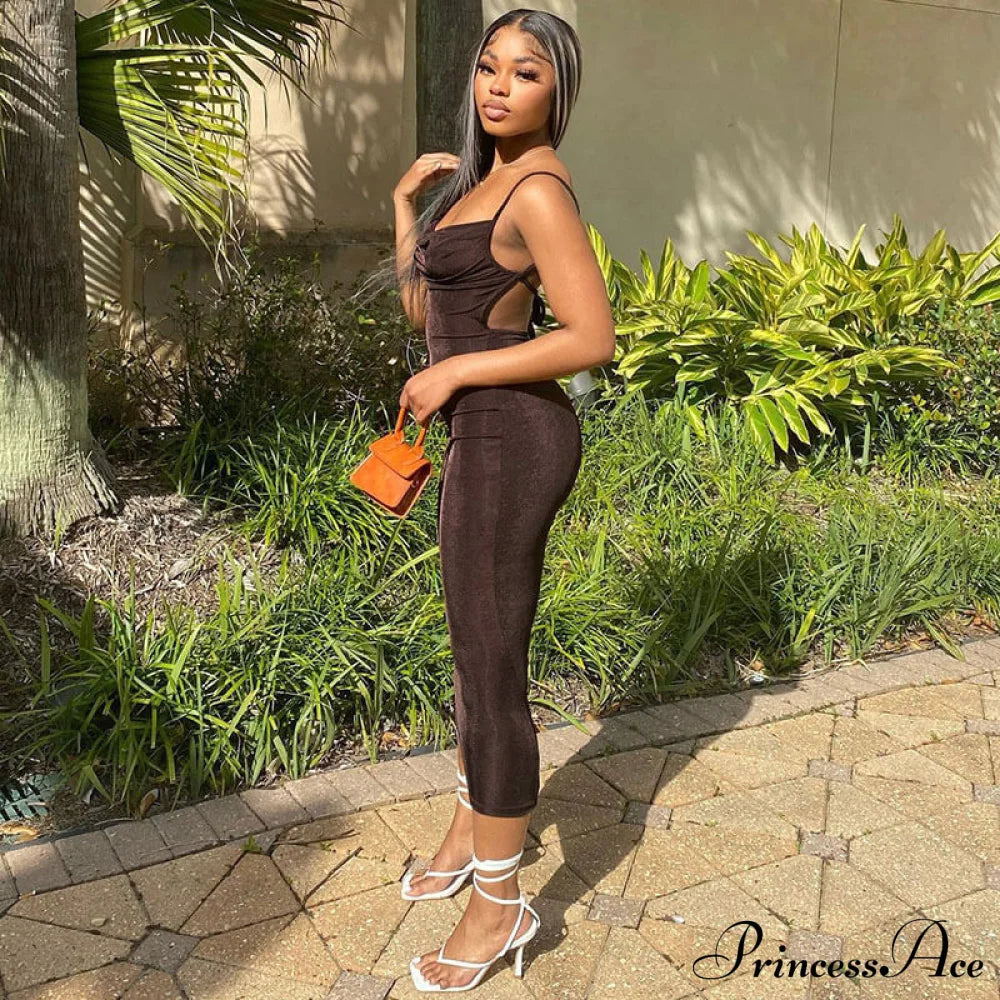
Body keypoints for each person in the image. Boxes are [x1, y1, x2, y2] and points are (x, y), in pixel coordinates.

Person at [390, 8, 615, 992]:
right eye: (489, 67)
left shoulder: (539, 190)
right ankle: (467, 829)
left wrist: (456, 376)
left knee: (492, 670)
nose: (497, 85)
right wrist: (406, 207)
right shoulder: (480, 182)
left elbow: (592, 337)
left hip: (515, 439)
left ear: (557, 92)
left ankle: (500, 904)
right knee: (474, 652)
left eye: (525, 73)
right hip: (479, 435)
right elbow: (429, 311)